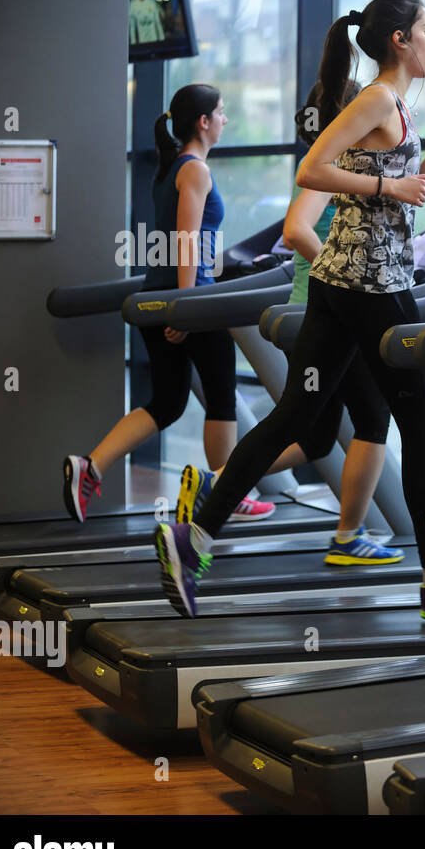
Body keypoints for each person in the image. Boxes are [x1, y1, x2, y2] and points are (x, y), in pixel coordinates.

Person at [155, 0, 425, 619]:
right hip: (373, 288)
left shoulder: (396, 105)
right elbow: (313, 171)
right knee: (418, 427)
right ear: (399, 39)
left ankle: (195, 537)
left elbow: (396, 200)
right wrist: (390, 182)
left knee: (297, 416)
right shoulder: (376, 99)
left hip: (341, 284)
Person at [173, 79, 404, 566]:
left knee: (315, 433)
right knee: (367, 419)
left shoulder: (347, 165)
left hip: (316, 311)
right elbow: (296, 230)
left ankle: (217, 486)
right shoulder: (335, 166)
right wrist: (343, 274)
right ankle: (347, 537)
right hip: (324, 313)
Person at [64, 84, 274, 524]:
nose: (225, 120)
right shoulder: (195, 170)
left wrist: (176, 302)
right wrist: (186, 307)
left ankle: (91, 466)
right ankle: (225, 494)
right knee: (222, 395)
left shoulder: (170, 168)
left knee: (167, 402)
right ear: (203, 122)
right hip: (189, 299)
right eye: (221, 112)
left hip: (158, 297)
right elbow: (186, 241)